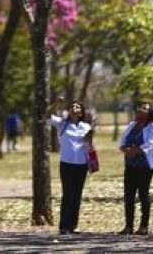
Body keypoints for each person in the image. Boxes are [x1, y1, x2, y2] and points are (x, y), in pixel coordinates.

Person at [48, 98, 94, 236]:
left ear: (81, 112)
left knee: (77, 195)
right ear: (69, 111)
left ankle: (73, 225)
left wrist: (91, 162)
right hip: (67, 164)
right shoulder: (62, 124)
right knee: (68, 194)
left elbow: (89, 146)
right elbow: (46, 115)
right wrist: (56, 103)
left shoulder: (86, 127)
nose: (75, 108)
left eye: (78, 107)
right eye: (72, 106)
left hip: (81, 165)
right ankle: (64, 226)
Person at [119, 101, 153, 235]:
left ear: (150, 113)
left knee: (143, 194)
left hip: (145, 166)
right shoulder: (132, 125)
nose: (141, 110)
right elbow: (123, 141)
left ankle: (143, 226)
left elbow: (150, 145)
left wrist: (135, 150)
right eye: (140, 107)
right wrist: (125, 149)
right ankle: (128, 226)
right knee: (129, 195)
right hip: (130, 165)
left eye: (145, 109)